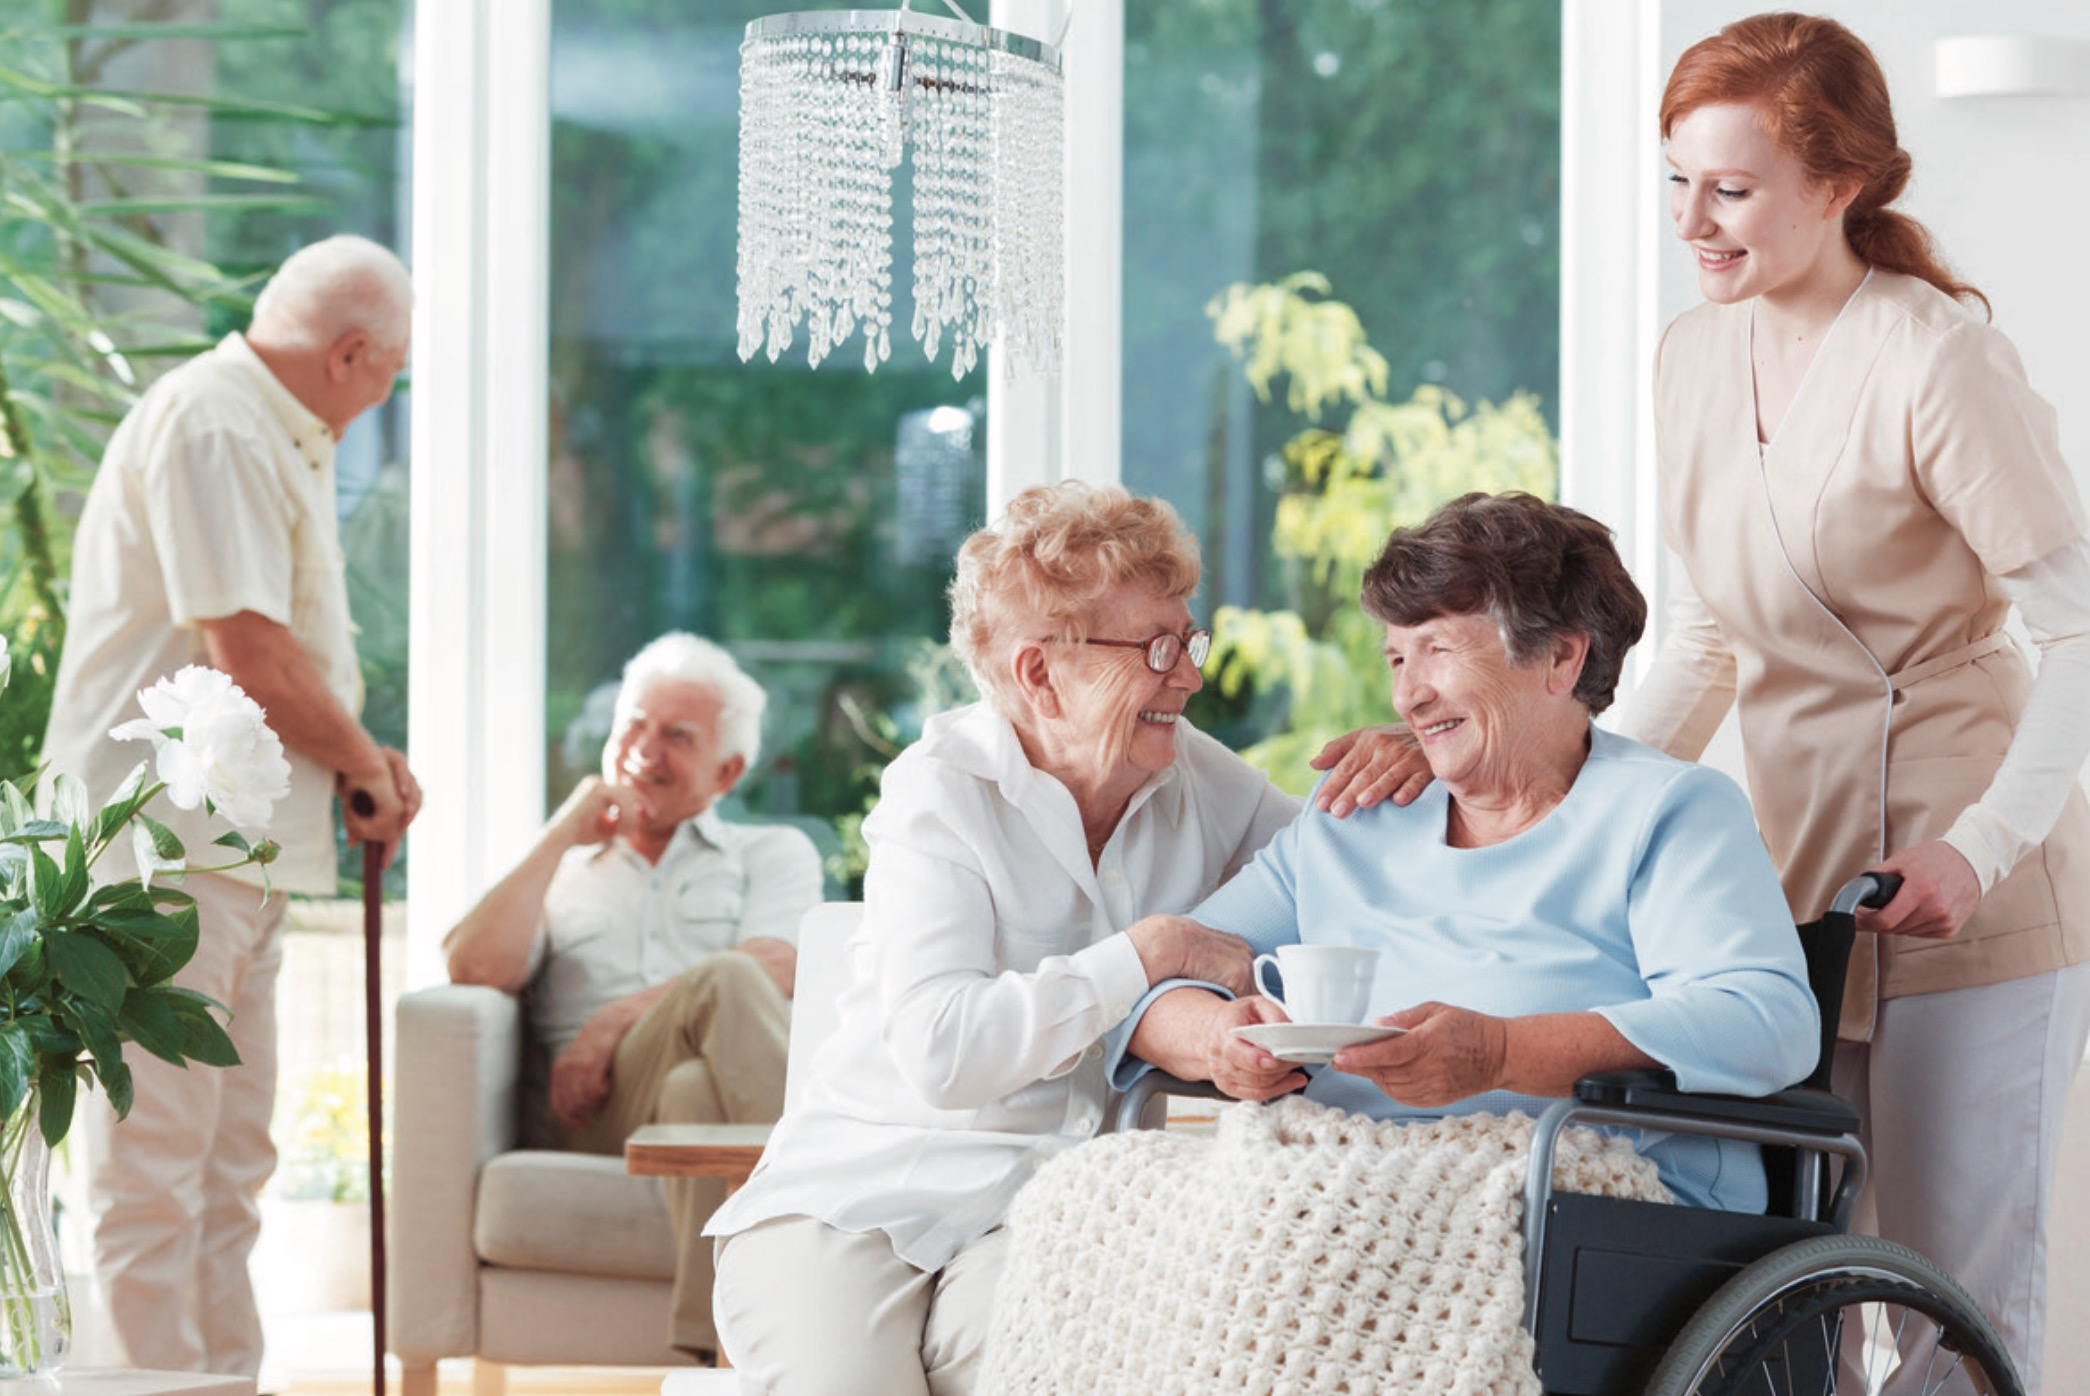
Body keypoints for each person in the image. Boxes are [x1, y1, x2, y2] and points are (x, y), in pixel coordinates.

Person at [705, 482, 1410, 1394]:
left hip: (1050, 1210)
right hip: (853, 1199)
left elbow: (1343, 862)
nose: (1189, 675)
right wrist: (1146, 952)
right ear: (1041, 674)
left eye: (1189, 640)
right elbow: (944, 1051)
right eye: (1158, 648)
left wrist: (1420, 755)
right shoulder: (939, 792)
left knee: (1055, 1368)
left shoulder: (1199, 776)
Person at [1630, 13, 2090, 1390]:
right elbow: (1709, 633)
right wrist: (1573, 800)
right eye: (1675, 182)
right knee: (1780, 1294)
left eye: (1729, 188)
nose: (1691, 223)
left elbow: (2077, 630)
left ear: (1838, 185)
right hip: (1783, 890)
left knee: (1952, 1306)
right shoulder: (1691, 357)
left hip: (1965, 875)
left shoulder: (1934, 358)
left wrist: (1981, 843)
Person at [1123, 491, 1819, 1211]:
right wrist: (1216, 1039)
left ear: (1560, 657)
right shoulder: (1353, 816)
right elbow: (1156, 982)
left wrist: (1501, 1055)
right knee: (1105, 1200)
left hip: (1588, 1198)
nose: (1406, 697)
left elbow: (1765, 1020)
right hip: (1348, 1179)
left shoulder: (1667, 812)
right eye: (1396, 656)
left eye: (1438, 650)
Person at [41, 233, 421, 1378]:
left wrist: (360, 758)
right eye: (390, 373)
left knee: (227, 1165)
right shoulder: (219, 420)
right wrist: (365, 761)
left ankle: (220, 1381)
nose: (383, 397)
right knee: (154, 1168)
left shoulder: (268, 431)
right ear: (351, 353)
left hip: (228, 853)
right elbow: (250, 652)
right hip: (163, 853)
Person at [443, 632, 821, 1359]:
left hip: (704, 1109)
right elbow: (475, 969)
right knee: (725, 974)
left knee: (691, 1088)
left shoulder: (771, 852)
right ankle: (822, 1220)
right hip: (594, 1112)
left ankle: (706, 1358)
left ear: (728, 770)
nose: (645, 751)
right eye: (632, 728)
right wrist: (561, 834)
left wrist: (615, 1018)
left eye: (677, 736)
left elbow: (779, 964)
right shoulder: (556, 866)